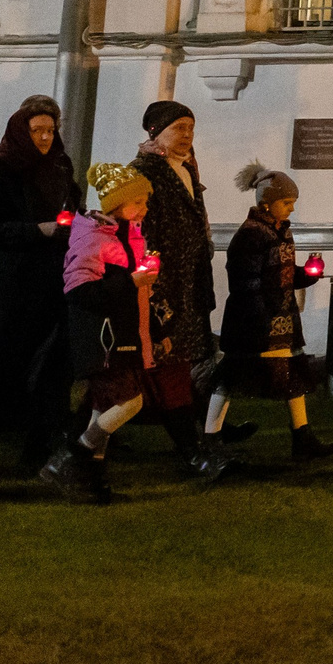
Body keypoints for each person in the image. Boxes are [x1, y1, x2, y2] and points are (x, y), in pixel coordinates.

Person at [44, 161, 187, 503]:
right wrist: (129, 281)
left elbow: (134, 294)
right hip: (102, 337)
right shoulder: (94, 237)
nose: (145, 208)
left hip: (123, 333)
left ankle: (91, 482)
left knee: (101, 407)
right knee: (130, 402)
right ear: (117, 206)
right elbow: (79, 291)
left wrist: (151, 324)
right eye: (138, 202)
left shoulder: (128, 235)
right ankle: (73, 456)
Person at [0, 96, 79, 473]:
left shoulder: (59, 164)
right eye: (36, 130)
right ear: (21, 130)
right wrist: (35, 230)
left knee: (46, 352)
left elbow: (72, 204)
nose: (43, 137)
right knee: (0, 348)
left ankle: (39, 425)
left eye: (49, 130)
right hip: (9, 277)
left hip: (50, 273)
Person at [203, 162, 333, 463]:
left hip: (280, 320)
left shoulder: (280, 233)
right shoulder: (252, 236)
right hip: (253, 323)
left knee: (292, 376)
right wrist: (261, 317)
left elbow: (280, 274)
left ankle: (302, 437)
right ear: (266, 203)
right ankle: (210, 436)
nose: (291, 209)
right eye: (286, 203)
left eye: (293, 203)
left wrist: (306, 275)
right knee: (232, 376)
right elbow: (246, 281)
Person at [129, 101, 235, 445]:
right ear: (156, 131)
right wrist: (152, 278)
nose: (187, 135)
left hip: (190, 278)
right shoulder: (144, 170)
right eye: (179, 128)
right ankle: (193, 440)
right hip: (164, 279)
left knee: (184, 358)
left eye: (190, 128)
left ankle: (206, 426)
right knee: (167, 360)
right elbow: (142, 228)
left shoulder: (187, 169)